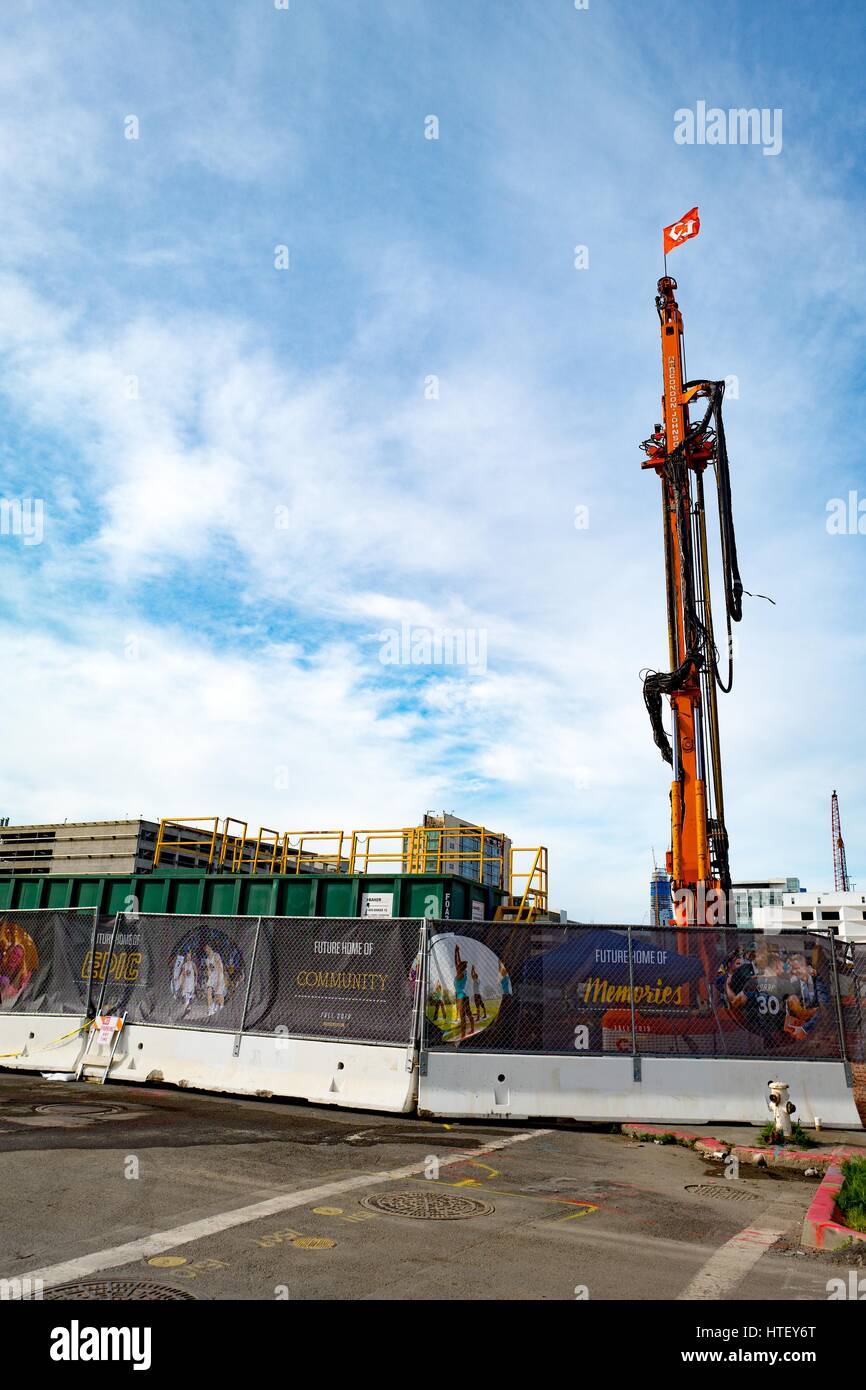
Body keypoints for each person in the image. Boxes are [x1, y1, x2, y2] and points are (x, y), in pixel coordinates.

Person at [453, 945, 474, 1041]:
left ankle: (462, 1035)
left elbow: (457, 962)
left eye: (458, 966)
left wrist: (456, 953)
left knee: (462, 1016)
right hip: (463, 995)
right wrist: (457, 952)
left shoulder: (460, 973)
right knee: (468, 1013)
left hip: (461, 996)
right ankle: (472, 1029)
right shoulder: (464, 972)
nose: (457, 966)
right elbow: (458, 962)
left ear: (459, 967)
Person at [204, 943, 226, 1016]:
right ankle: (210, 1010)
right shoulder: (207, 960)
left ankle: (221, 1009)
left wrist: (218, 982)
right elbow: (209, 970)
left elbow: (220, 969)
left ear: (210, 947)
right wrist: (209, 979)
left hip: (219, 975)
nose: (205, 950)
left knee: (219, 995)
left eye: (206, 948)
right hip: (212, 976)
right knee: (209, 991)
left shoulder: (216, 956)